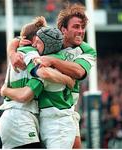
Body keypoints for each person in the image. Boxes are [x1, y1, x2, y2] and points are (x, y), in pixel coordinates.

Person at [8, 3, 97, 148]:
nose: (81, 31)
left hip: (67, 111)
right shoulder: (50, 39)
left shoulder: (87, 50)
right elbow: (22, 38)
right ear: (63, 30)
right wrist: (13, 50)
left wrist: (52, 60)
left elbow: (79, 71)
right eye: (76, 27)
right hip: (48, 115)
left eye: (82, 27)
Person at [0, 16, 74, 149]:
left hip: (17, 117)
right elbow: (29, 90)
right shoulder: (30, 52)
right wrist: (68, 79)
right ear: (33, 39)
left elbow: (15, 41)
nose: (36, 44)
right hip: (19, 117)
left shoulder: (21, 51)